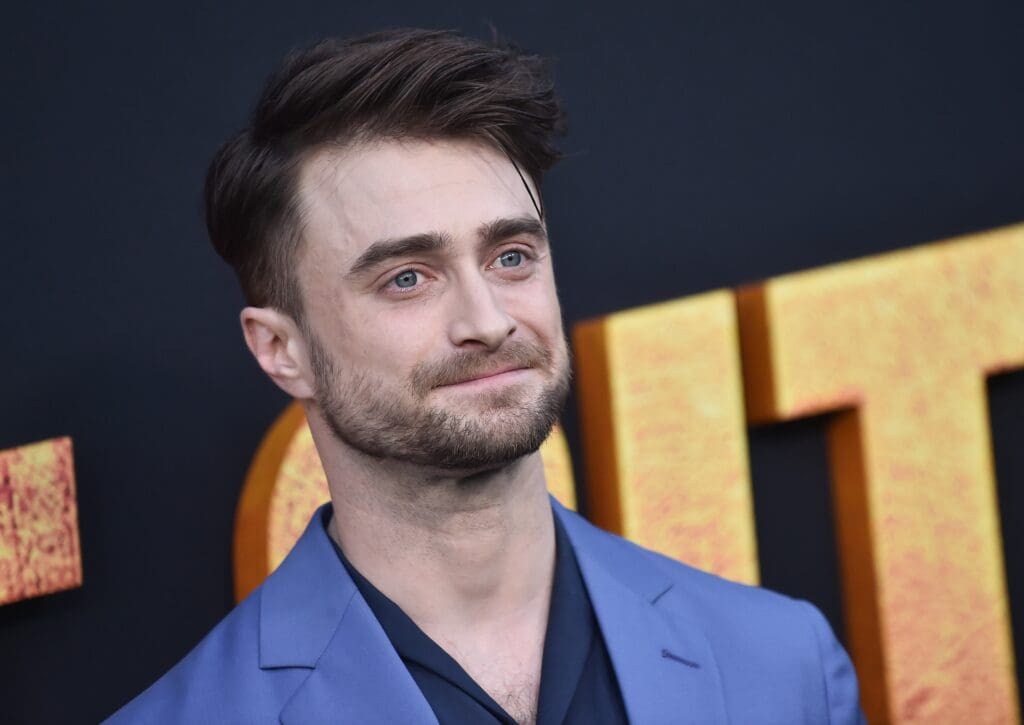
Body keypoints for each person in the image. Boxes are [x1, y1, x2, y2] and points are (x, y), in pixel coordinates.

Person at [108, 28, 864, 724]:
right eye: (407, 277)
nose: (488, 319)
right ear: (281, 349)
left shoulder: (783, 665)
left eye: (511, 257)